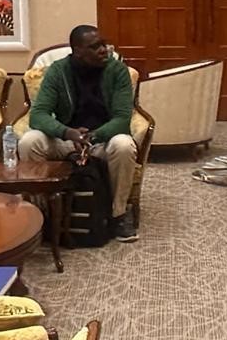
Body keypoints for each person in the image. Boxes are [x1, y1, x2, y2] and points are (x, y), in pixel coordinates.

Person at [20, 25, 141, 243]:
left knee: (124, 145)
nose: (103, 50)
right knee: (29, 141)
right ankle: (42, 214)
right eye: (95, 47)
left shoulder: (117, 70)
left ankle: (118, 215)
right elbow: (38, 115)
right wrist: (67, 132)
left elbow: (123, 118)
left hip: (103, 141)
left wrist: (92, 137)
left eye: (103, 44)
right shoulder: (58, 71)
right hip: (67, 140)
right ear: (77, 51)